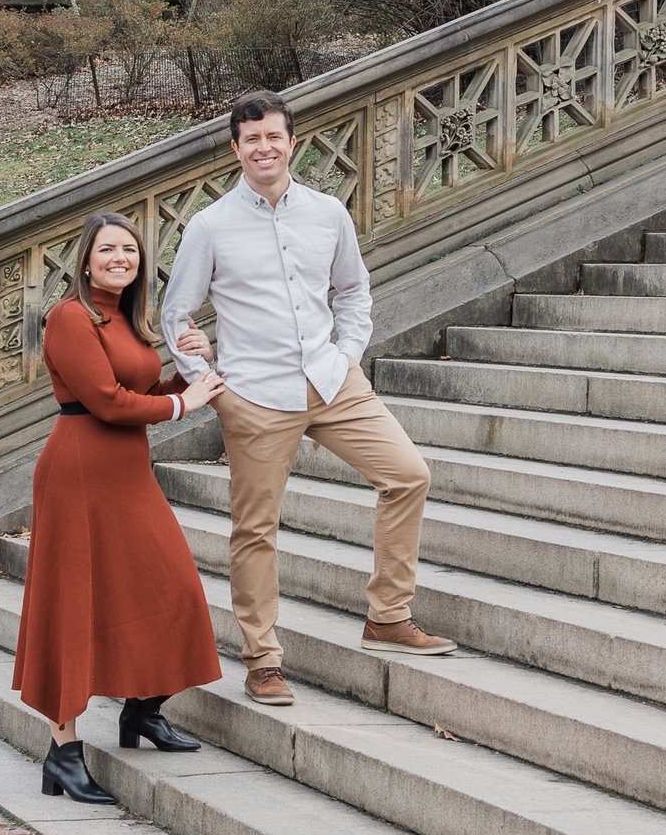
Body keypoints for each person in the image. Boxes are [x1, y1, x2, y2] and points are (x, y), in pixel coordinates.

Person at [161, 90, 453, 708]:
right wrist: (208, 383)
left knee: (408, 475)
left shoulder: (327, 214)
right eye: (251, 139)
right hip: (256, 396)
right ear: (235, 148)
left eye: (273, 136)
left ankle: (388, 615)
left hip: (331, 380)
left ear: (292, 142)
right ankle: (263, 660)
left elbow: (352, 291)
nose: (263, 148)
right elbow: (176, 311)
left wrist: (346, 355)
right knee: (255, 529)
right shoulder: (211, 226)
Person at [12, 211, 228, 803]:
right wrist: (184, 408)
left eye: (130, 251)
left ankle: (142, 709)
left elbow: (142, 392)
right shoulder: (69, 317)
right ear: (85, 259)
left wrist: (192, 364)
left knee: (171, 586)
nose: (120, 258)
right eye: (108, 249)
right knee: (73, 602)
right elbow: (106, 402)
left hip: (126, 471)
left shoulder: (130, 323)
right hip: (78, 471)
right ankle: (63, 751)